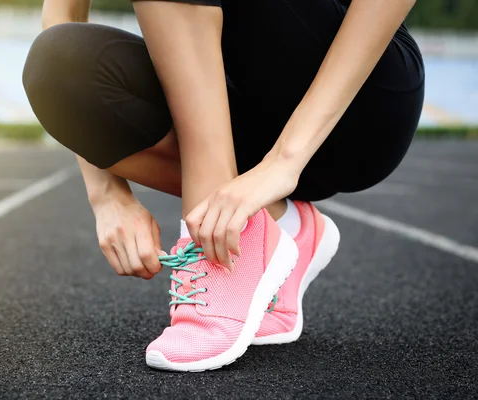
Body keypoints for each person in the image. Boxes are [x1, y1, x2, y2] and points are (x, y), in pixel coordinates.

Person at [23, 0, 424, 371]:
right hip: (233, 100)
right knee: (58, 65)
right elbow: (62, 15)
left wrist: (285, 161)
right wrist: (108, 195)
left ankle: (219, 259)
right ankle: (279, 226)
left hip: (355, 104)